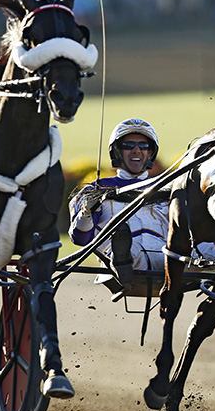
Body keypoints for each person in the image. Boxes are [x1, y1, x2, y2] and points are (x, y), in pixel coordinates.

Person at [68, 118, 168, 295]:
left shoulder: (167, 187)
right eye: (128, 145)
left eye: (143, 146)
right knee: (127, 247)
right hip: (126, 259)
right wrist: (86, 212)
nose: (136, 150)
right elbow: (80, 239)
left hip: (169, 258)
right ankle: (122, 258)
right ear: (117, 152)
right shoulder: (94, 190)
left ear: (150, 153)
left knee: (212, 249)